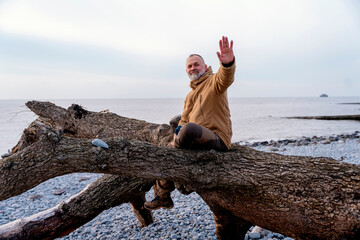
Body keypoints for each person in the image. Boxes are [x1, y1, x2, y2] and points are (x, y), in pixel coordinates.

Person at [144, 36, 235, 210]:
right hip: (197, 141)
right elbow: (183, 120)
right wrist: (175, 137)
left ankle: (172, 157)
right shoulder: (190, 95)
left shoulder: (213, 82)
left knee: (189, 129)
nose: (193, 68)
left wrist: (228, 63)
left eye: (196, 64)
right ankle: (162, 196)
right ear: (186, 70)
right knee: (178, 135)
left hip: (217, 138)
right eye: (190, 66)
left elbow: (226, 78)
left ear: (205, 67)